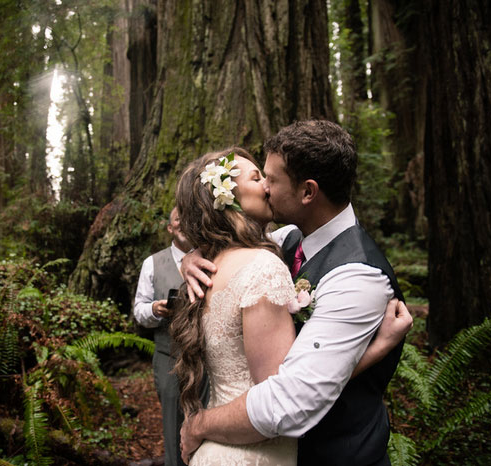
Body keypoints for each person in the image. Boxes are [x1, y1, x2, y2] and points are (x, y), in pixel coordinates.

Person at [180, 120, 409, 465]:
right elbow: (230, 252)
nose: (265, 190)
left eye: (270, 179)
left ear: (307, 192)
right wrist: (192, 257)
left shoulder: (358, 276)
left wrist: (199, 425)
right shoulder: (287, 240)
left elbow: (293, 399)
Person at [133, 207, 193, 466]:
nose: (182, 223)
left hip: (206, 358)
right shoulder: (153, 263)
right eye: (177, 219)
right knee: (173, 427)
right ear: (170, 227)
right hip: (168, 357)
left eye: (187, 217)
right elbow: (139, 310)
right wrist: (155, 310)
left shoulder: (214, 256)